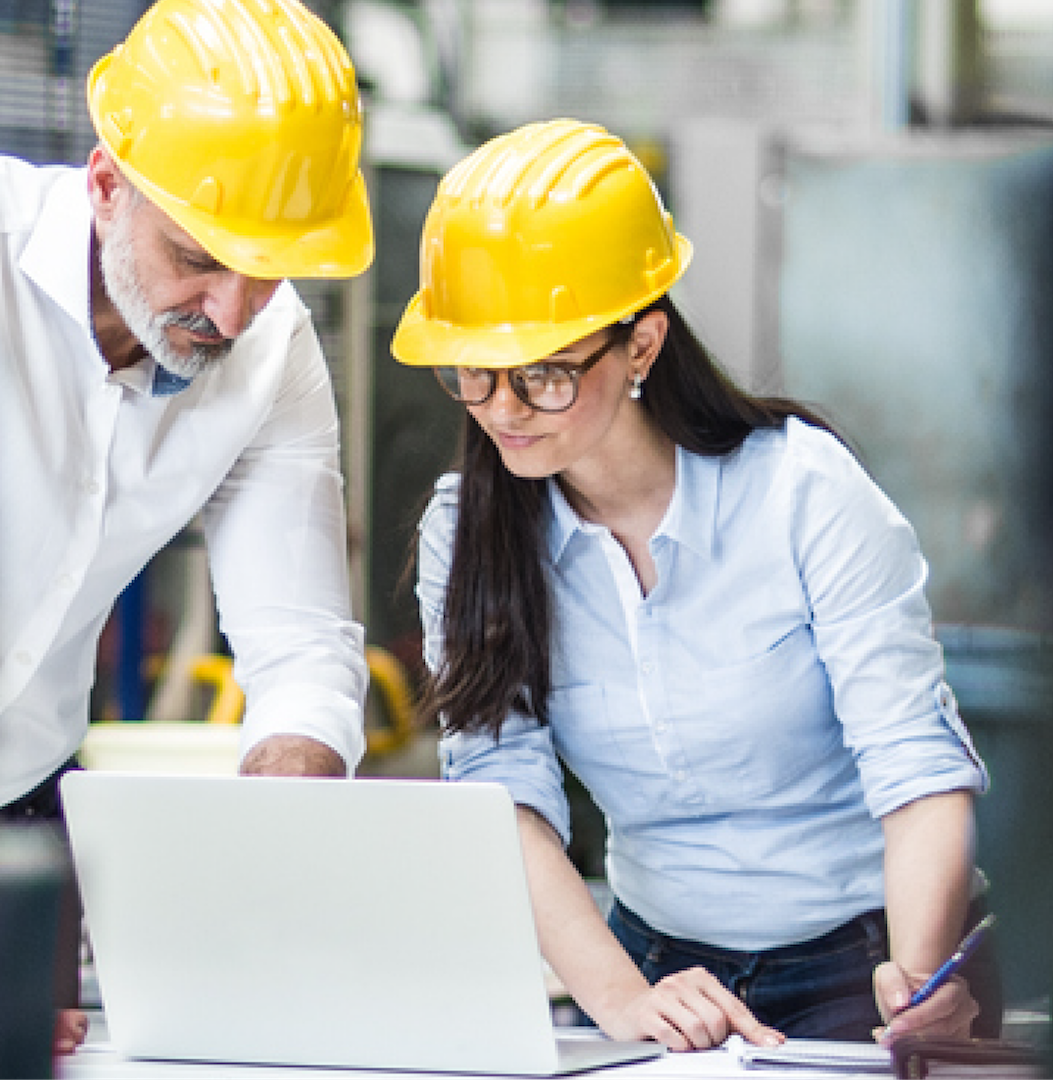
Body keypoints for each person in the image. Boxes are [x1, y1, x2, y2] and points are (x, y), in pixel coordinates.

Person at [0, 0, 375, 1053]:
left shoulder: (272, 354)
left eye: (270, 268)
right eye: (198, 257)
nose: (232, 312)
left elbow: (302, 652)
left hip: (25, 818)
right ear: (106, 186)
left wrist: (277, 829)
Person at [395, 119, 999, 1051]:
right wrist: (623, 1001)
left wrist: (917, 986)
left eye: (546, 373)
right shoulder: (469, 532)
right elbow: (499, 794)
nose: (503, 410)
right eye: (473, 371)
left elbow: (914, 764)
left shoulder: (802, 493)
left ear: (641, 345)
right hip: (652, 968)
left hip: (862, 960)